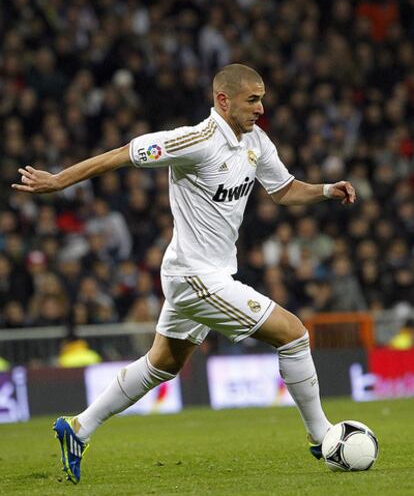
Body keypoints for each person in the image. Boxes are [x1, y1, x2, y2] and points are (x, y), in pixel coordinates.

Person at [12, 64, 356, 484]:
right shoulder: (195, 141)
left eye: (262, 98)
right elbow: (124, 153)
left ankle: (78, 427)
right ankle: (323, 438)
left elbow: (282, 190)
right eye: (252, 100)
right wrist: (58, 181)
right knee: (294, 333)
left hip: (208, 273)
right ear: (223, 100)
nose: (261, 108)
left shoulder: (256, 143)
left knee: (163, 364)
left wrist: (324, 190)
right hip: (194, 276)